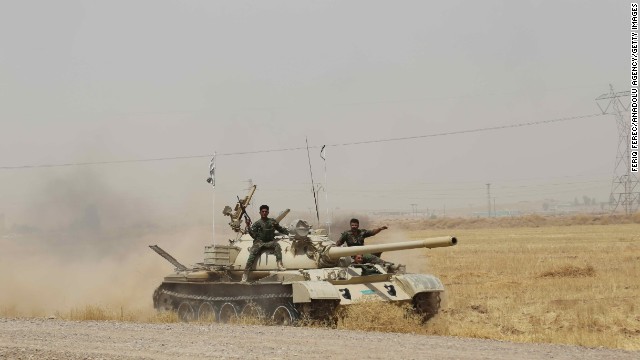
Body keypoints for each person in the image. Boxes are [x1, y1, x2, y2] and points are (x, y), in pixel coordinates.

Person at [242, 204, 289, 282]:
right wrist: (248, 226)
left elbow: (280, 229)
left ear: (268, 212)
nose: (264, 213)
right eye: (262, 211)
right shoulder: (257, 223)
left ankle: (279, 264)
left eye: (266, 211)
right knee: (252, 254)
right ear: (260, 213)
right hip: (259, 242)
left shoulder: (272, 222)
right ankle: (245, 273)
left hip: (269, 241)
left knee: (277, 245)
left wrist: (289, 233)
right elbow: (253, 235)